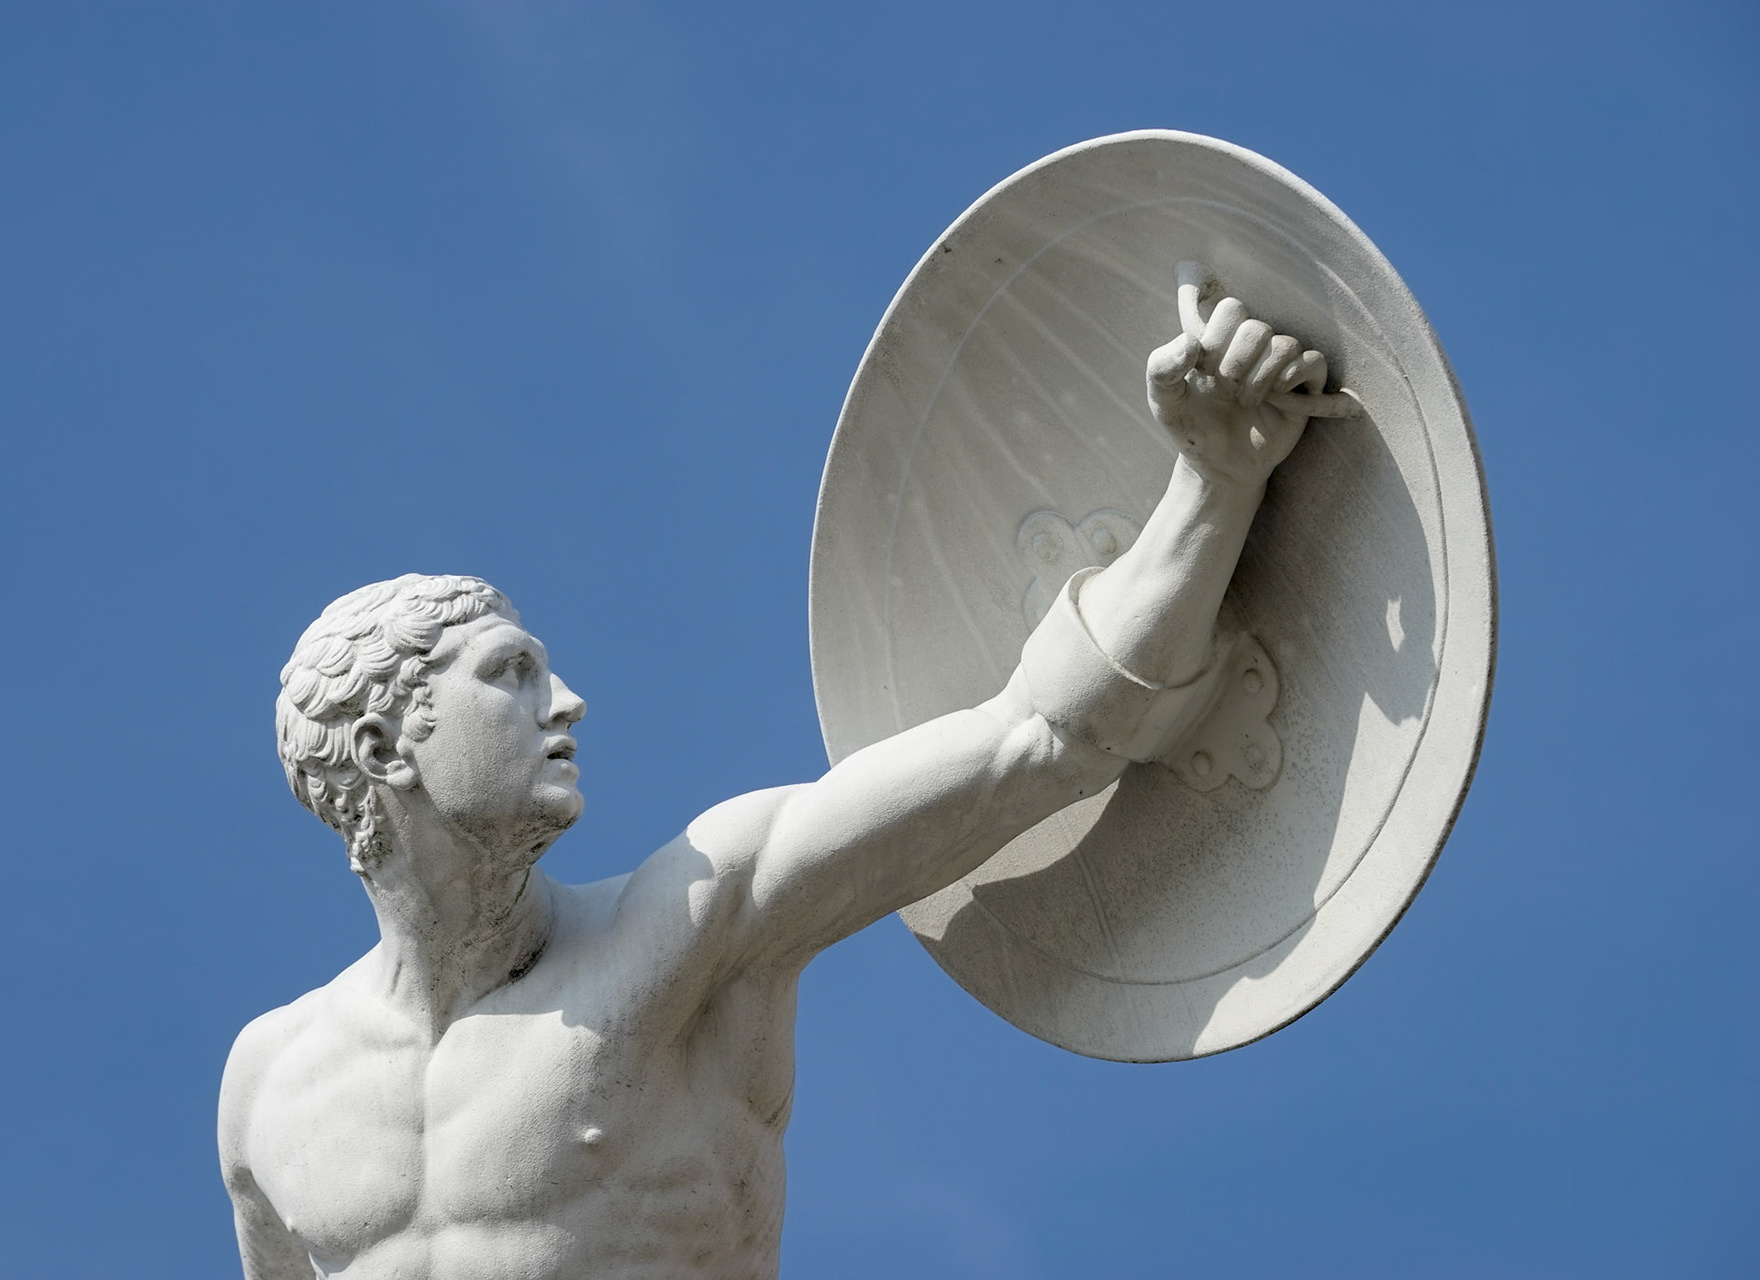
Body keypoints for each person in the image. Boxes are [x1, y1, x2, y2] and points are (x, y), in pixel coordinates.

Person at [219, 292, 1326, 1279]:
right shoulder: (265, 1088)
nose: (569, 703)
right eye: (510, 674)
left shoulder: (694, 922)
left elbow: (1038, 735)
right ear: (384, 746)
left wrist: (1215, 481)